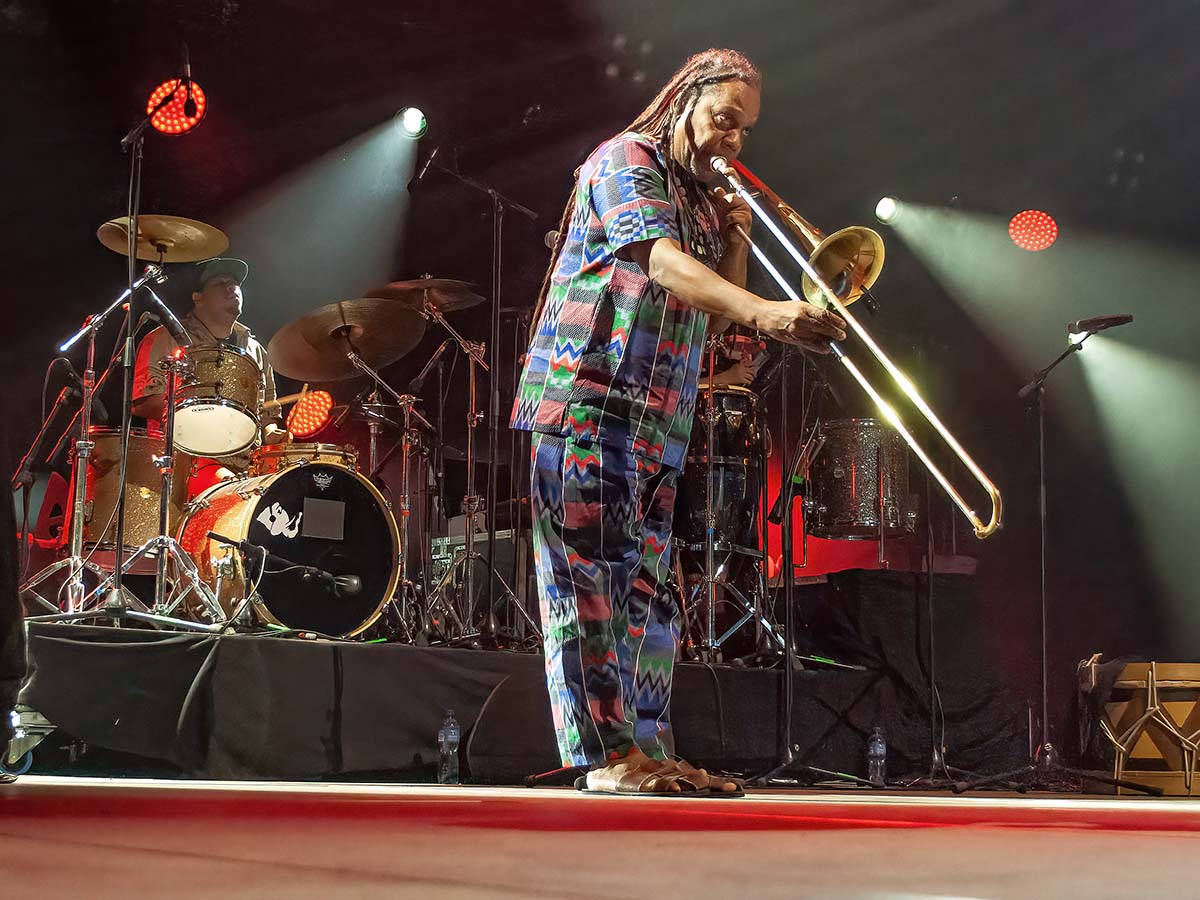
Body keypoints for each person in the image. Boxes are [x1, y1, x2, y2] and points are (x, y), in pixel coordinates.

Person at [512, 48, 846, 794]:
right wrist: (768, 311)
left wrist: (738, 242)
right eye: (725, 118)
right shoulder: (626, 159)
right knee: (590, 583)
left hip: (662, 419)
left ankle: (650, 751)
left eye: (746, 128)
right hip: (588, 399)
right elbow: (659, 263)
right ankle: (609, 757)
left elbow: (718, 325)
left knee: (649, 595)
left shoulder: (698, 200)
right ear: (684, 101)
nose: (734, 139)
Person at [132, 258, 287, 495]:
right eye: (221, 283)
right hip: (184, 462)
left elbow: (267, 411)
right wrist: (208, 415)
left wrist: (271, 433)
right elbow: (143, 401)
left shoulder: (255, 350)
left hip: (248, 466)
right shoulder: (166, 338)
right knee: (234, 493)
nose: (232, 288)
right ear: (198, 297)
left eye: (235, 283)